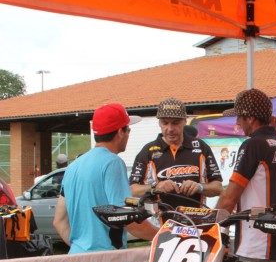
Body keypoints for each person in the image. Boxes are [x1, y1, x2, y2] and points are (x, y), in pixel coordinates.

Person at [53, 103, 157, 253]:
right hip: (106, 261)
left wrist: (81, 248)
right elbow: (128, 220)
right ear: (120, 132)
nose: (129, 134)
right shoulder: (113, 163)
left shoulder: (72, 167)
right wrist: (164, 236)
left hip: (75, 258)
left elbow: (59, 221)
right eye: (128, 129)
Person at [215, 89, 276, 260]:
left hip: (256, 247)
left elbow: (229, 199)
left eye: (239, 117)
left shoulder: (253, 145)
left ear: (250, 118)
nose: (237, 122)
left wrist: (208, 227)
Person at [129, 97, 223, 211]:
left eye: (175, 123)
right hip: (160, 225)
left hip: (195, 224)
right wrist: (156, 187)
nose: (170, 129)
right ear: (159, 123)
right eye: (165, 123)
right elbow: (132, 190)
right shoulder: (148, 151)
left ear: (185, 120)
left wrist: (200, 187)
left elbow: (218, 188)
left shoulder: (201, 147)